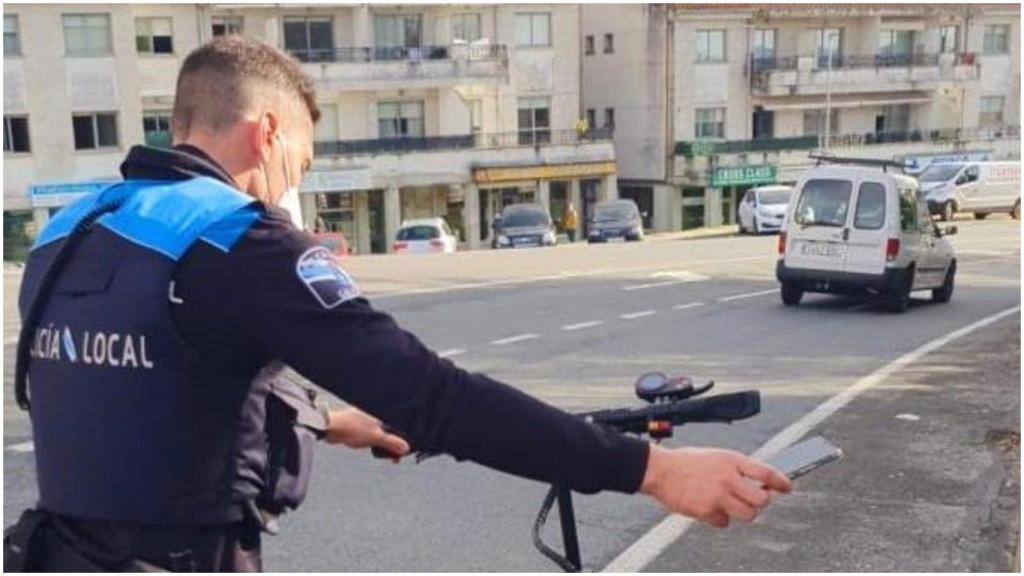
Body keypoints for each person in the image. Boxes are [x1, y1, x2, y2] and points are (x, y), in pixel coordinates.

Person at [8, 37, 790, 572]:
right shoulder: (238, 243)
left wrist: (326, 418)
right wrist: (650, 469)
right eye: (300, 161)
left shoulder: (71, 233)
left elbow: (157, 383)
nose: (293, 183)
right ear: (267, 132)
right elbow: (432, 396)